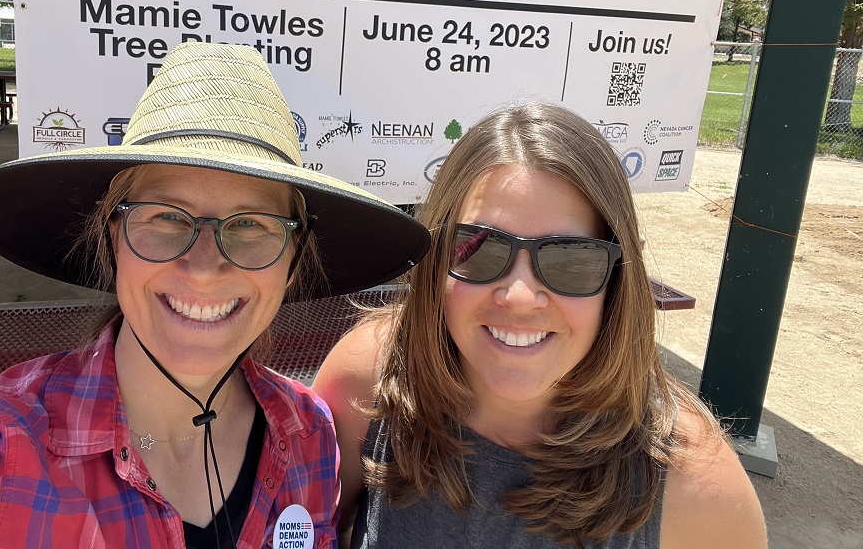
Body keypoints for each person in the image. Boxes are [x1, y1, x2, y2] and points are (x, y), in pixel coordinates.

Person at [0, 42, 430, 548]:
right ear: (110, 236)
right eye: (165, 218)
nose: (204, 269)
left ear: (293, 261)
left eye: (252, 225)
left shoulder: (308, 437)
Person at [314, 103, 767, 549]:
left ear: (617, 278)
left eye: (570, 258)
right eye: (481, 249)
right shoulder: (367, 383)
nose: (520, 296)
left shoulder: (698, 489)